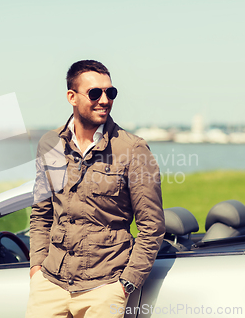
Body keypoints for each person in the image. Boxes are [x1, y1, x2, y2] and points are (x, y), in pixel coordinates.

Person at [26, 60, 165, 318]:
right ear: (72, 97)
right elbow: (41, 214)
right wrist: (37, 268)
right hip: (50, 284)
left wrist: (125, 284)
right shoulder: (50, 144)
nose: (104, 100)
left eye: (110, 92)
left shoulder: (133, 149)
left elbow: (151, 226)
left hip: (104, 287)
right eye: (94, 93)